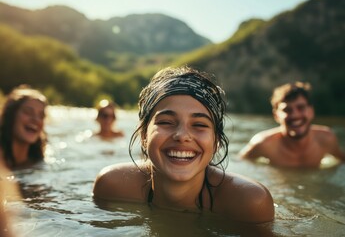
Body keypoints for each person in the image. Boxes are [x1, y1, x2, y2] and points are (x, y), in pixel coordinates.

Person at [93, 66, 274, 223]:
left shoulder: (249, 203)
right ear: (143, 135)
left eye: (199, 125)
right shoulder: (112, 187)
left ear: (217, 141)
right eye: (166, 122)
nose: (182, 136)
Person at [240, 81, 345, 168]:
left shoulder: (326, 139)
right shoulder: (264, 144)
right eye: (287, 110)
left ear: (311, 111)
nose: (295, 115)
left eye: (301, 107)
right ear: (276, 115)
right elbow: (241, 165)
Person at [0, 85, 47, 170]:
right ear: (11, 115)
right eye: (28, 112)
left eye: (41, 116)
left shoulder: (39, 164)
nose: (36, 120)